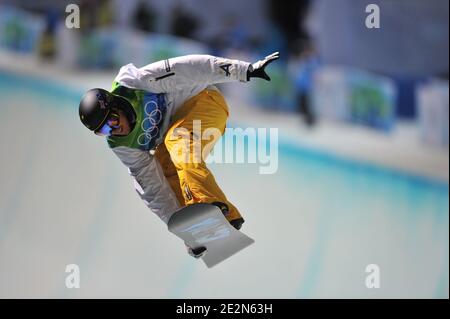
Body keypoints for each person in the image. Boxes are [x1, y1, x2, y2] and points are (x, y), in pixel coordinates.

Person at [78, 52, 279, 257]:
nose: (114, 130)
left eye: (112, 121)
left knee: (176, 139)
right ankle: (222, 218)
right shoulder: (122, 145)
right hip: (180, 133)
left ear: (117, 104)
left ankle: (206, 203)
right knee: (164, 168)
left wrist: (243, 70)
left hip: (205, 102)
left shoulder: (136, 84)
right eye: (104, 131)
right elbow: (151, 188)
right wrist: (187, 232)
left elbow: (189, 68)